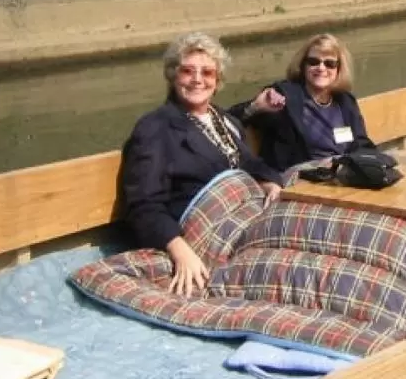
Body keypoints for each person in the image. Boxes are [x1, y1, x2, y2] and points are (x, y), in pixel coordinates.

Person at [120, 32, 284, 297]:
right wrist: (180, 250)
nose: (198, 80)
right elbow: (144, 205)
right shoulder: (156, 128)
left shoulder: (223, 120)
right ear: (173, 75)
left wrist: (270, 181)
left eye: (207, 73)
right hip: (208, 237)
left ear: (217, 81)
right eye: (188, 71)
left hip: (246, 217)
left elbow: (249, 162)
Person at [228, 33, 374, 172]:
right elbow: (228, 119)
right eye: (313, 62)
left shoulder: (345, 101)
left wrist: (374, 164)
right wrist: (256, 107)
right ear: (303, 65)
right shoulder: (285, 95)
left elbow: (361, 144)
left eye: (329, 63)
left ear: (339, 69)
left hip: (343, 174)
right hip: (302, 178)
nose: (321, 68)